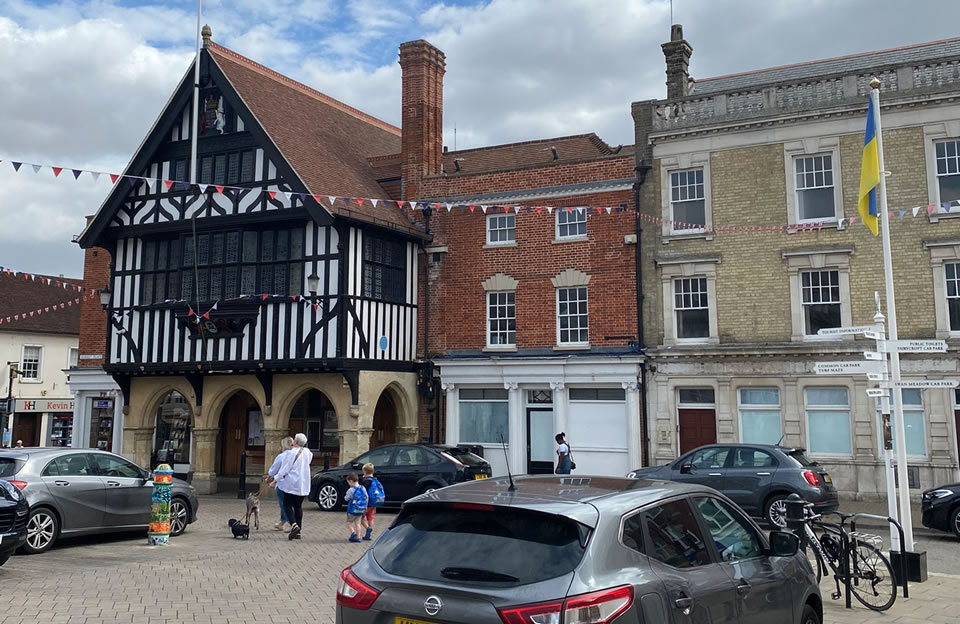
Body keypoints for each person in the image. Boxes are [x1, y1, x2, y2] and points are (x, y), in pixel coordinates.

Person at [274, 433, 313, 540]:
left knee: (287, 504)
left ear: (295, 442)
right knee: (298, 506)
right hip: (303, 484)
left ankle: (294, 525)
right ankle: (298, 531)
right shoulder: (308, 453)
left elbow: (284, 469)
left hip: (291, 483)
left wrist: (275, 479)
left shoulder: (291, 453)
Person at [266, 436, 294, 531]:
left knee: (284, 504)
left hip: (282, 483)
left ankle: (292, 523)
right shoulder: (295, 455)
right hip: (294, 483)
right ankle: (282, 522)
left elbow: (274, 470)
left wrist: (268, 478)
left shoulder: (281, 456)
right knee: (290, 503)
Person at [344, 473, 368, 543]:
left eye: (348, 482)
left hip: (352, 509)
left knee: (349, 523)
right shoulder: (363, 488)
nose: (348, 484)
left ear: (351, 481)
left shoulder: (351, 490)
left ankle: (353, 533)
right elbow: (366, 497)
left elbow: (346, 498)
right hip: (361, 509)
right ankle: (358, 537)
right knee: (358, 523)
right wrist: (365, 506)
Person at [360, 463, 378, 541]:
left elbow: (362, 492)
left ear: (365, 471)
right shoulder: (375, 480)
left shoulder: (366, 482)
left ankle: (367, 528)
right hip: (373, 503)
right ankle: (368, 533)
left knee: (360, 518)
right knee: (370, 517)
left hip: (366, 503)